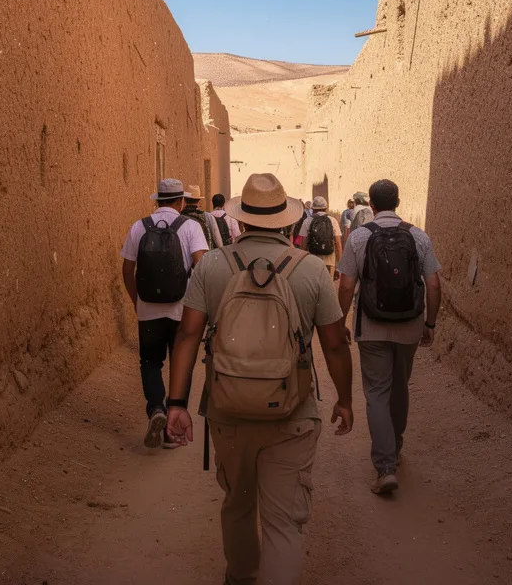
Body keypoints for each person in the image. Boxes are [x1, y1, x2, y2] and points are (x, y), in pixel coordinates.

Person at [165, 173, 354, 585]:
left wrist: (176, 404)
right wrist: (345, 399)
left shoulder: (213, 266)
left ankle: (242, 577)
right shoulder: (310, 271)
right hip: (293, 413)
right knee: (283, 521)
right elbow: (336, 345)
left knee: (237, 504)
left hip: (228, 411)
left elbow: (188, 335)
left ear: (242, 220)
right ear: (287, 222)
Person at [336, 179, 441, 495]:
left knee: (377, 392)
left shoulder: (359, 238)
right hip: (409, 326)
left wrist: (340, 321)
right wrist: (430, 324)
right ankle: (394, 445)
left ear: (371, 203)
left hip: (372, 327)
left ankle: (385, 468)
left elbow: (345, 286)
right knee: (399, 386)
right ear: (398, 201)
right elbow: (434, 285)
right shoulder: (418, 236)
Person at [120, 178, 210, 448]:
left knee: (150, 362)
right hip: (182, 310)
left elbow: (127, 269)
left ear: (157, 200)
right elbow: (202, 267)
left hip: (148, 309)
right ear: (181, 202)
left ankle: (156, 409)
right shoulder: (191, 227)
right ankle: (173, 430)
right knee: (181, 363)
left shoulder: (139, 227)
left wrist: (137, 301)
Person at [294, 196, 343, 277]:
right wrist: (339, 264)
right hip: (329, 260)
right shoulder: (333, 221)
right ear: (326, 208)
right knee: (328, 287)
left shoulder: (307, 221)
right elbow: (338, 244)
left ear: (313, 209)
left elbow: (303, 245)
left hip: (312, 260)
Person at [182, 184, 223, 249]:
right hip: (204, 255)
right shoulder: (208, 217)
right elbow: (218, 242)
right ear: (199, 200)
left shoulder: (179, 216)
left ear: (185, 199)